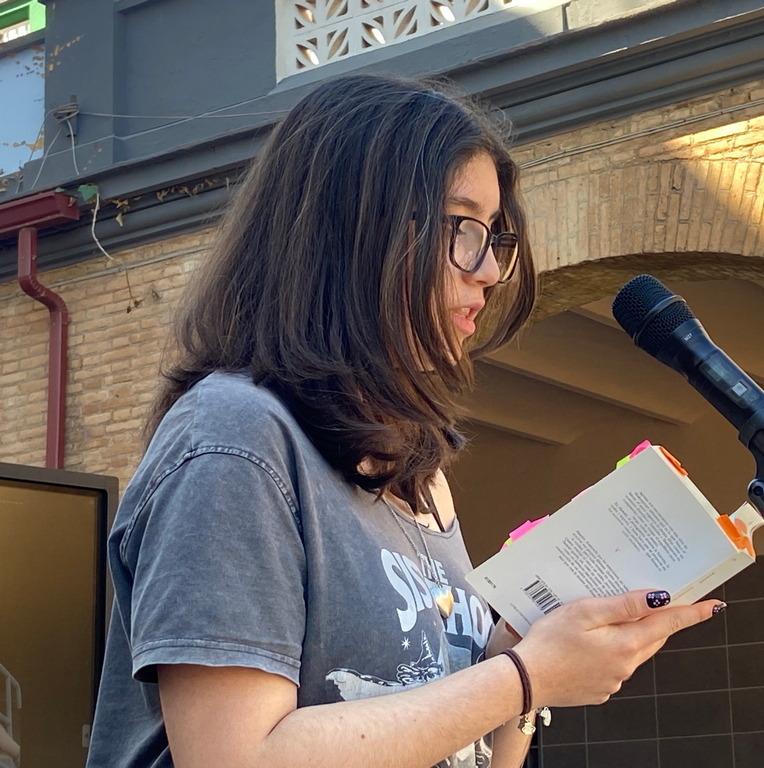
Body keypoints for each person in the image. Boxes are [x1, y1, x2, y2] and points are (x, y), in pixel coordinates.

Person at [85, 73, 725, 768]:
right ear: (355, 230)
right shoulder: (236, 440)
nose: (490, 271)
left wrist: (522, 653)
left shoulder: (421, 475)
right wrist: (524, 677)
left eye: (496, 238)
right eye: (464, 228)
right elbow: (235, 758)